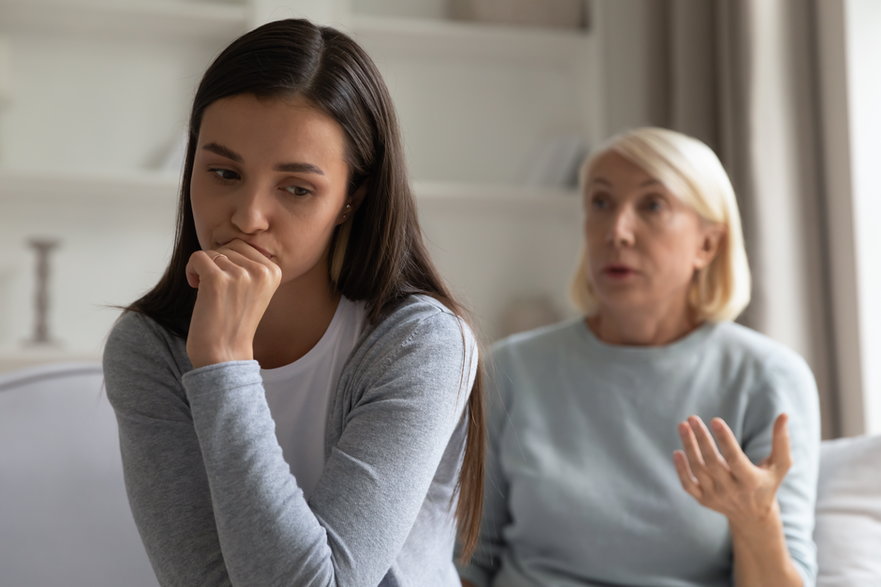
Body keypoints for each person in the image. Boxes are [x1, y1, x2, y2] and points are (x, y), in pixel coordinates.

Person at [103, 18, 484, 586]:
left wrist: (226, 365)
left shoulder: (421, 343)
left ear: (352, 198)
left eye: (297, 188)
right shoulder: (149, 347)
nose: (248, 216)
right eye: (224, 172)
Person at [458, 127, 820, 586]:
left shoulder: (767, 377)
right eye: (601, 203)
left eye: (652, 205)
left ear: (707, 244)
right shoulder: (510, 369)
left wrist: (755, 520)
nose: (617, 231)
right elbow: (465, 563)